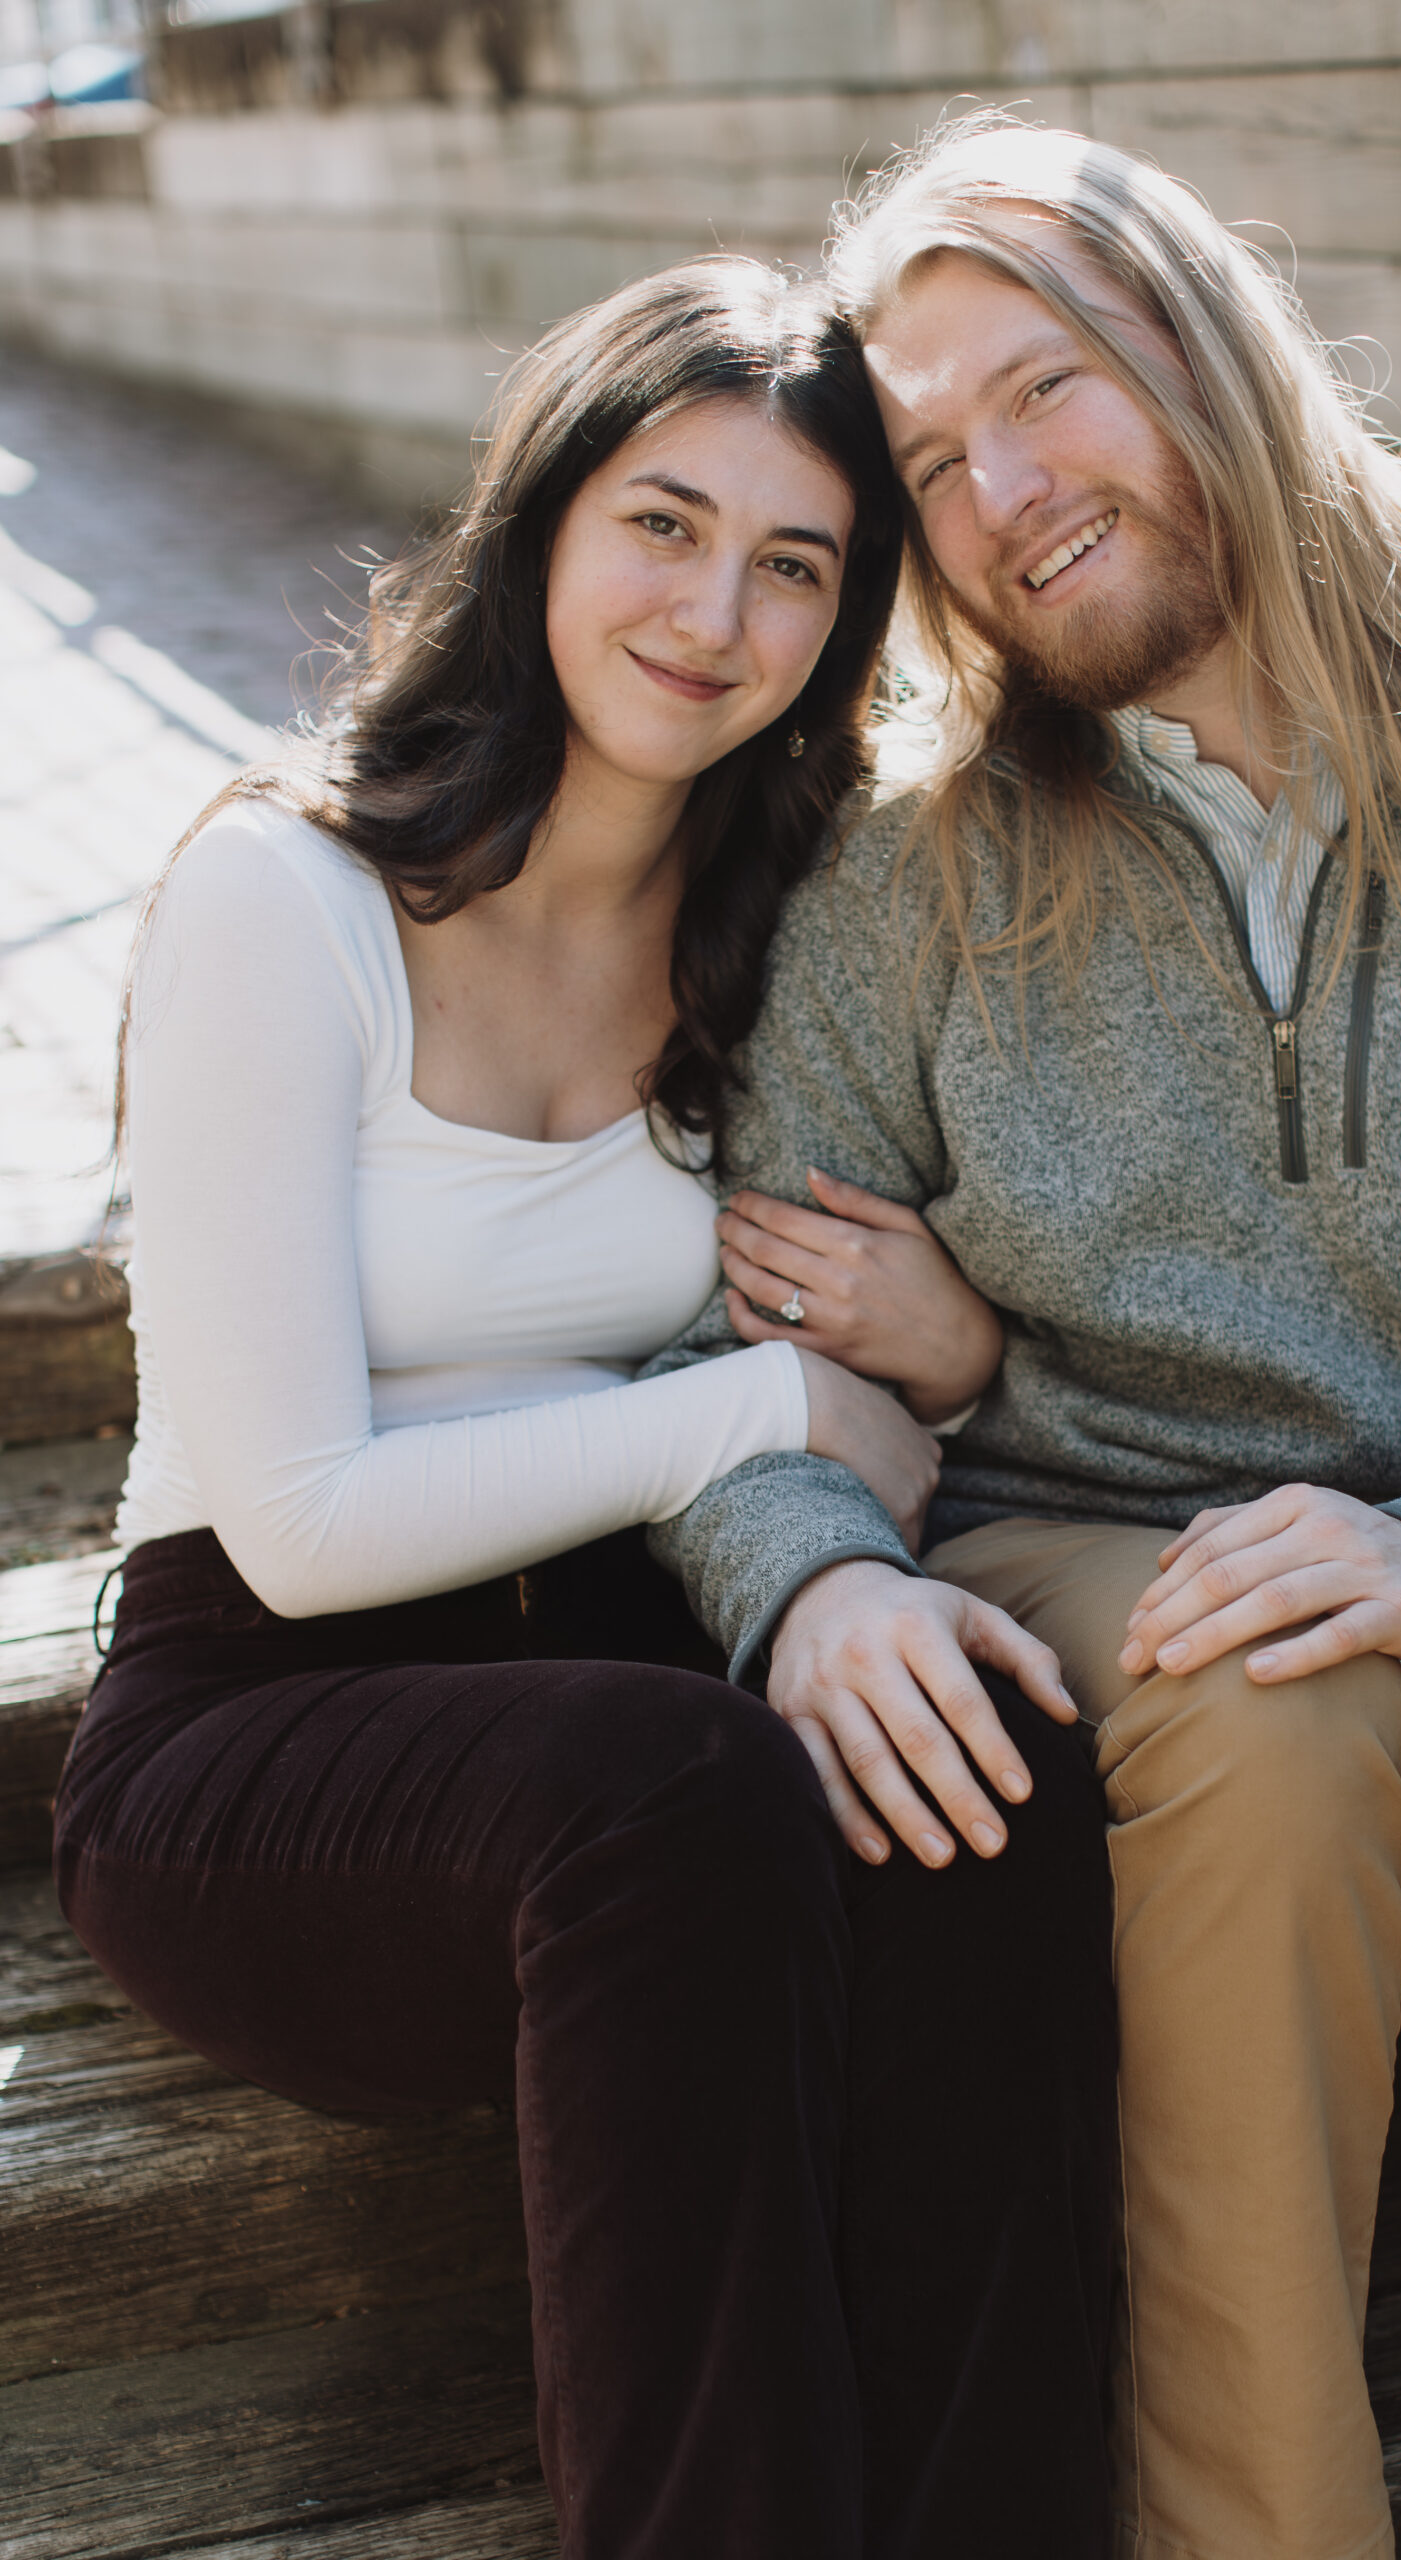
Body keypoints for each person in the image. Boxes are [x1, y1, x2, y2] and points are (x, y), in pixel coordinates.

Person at [643, 125, 1401, 2560]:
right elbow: (729, 1338)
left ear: (1211, 344)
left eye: (1045, 391)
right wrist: (807, 1577)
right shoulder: (912, 879)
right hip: (1119, 1597)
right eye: (933, 462)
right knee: (1272, 1677)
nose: (1001, 494)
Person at [52, 259, 1118, 2560]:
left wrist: (940, 1343)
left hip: (638, 1692)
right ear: (545, 518)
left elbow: (916, 1361)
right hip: (271, 1726)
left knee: (985, 1771)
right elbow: (306, 1516)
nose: (711, 607)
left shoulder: (786, 925)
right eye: (664, 519)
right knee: (681, 1785)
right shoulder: (291, 886)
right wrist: (765, 1417)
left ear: (843, 630)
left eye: (796, 563)